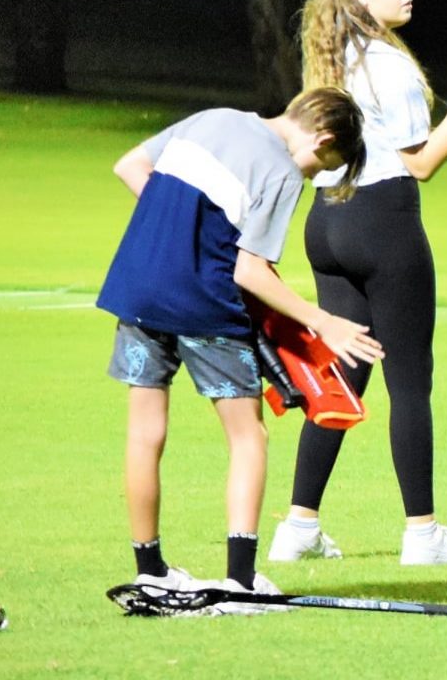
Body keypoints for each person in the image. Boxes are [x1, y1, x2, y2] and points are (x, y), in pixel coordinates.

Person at [99, 88, 382, 608]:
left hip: (136, 287)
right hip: (204, 303)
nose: (310, 174)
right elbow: (249, 271)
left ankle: (150, 570)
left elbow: (129, 167)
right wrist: (324, 323)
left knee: (144, 433)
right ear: (320, 137)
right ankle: (241, 579)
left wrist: (180, 231)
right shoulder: (278, 169)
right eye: (321, 164)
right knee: (248, 435)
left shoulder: (214, 117)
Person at [269, 0, 447, 567]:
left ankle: (298, 527)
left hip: (327, 227)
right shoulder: (393, 68)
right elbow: (420, 164)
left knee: (340, 377)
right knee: (409, 381)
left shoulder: (334, 58)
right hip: (384, 227)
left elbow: (396, 141)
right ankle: (422, 535)